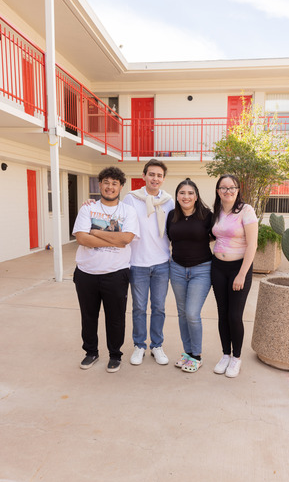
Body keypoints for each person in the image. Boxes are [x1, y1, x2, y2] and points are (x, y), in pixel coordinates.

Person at [72, 166, 139, 373]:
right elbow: (82, 238)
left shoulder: (128, 211)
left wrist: (95, 232)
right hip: (86, 273)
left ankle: (115, 355)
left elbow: (127, 238)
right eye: (106, 182)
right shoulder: (87, 208)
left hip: (116, 273)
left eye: (114, 183)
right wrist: (113, 239)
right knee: (88, 316)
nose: (110, 187)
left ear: (121, 187)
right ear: (100, 184)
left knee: (116, 317)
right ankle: (90, 352)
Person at [123, 159, 175, 366]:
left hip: (162, 263)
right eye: (151, 174)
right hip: (137, 263)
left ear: (163, 179)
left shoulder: (169, 201)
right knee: (138, 308)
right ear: (144, 176)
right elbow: (116, 215)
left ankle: (156, 345)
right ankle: (139, 346)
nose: (155, 178)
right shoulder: (131, 198)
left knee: (159, 307)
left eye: (159, 175)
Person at [211, 174, 258, 378]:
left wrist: (241, 274)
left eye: (232, 188)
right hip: (218, 268)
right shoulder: (217, 211)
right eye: (223, 188)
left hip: (239, 268)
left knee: (234, 316)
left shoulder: (246, 210)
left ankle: (236, 358)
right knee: (222, 314)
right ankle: (225, 355)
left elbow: (253, 244)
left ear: (238, 190)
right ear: (218, 191)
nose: (228, 191)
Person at [166, 178, 213, 373]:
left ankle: (197, 355)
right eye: (182, 193)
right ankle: (187, 352)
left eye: (190, 193)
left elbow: (219, 235)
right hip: (176, 268)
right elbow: (169, 237)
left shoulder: (207, 215)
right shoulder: (171, 215)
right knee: (182, 313)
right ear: (177, 196)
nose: (186, 196)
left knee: (192, 313)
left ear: (196, 196)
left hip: (201, 269)